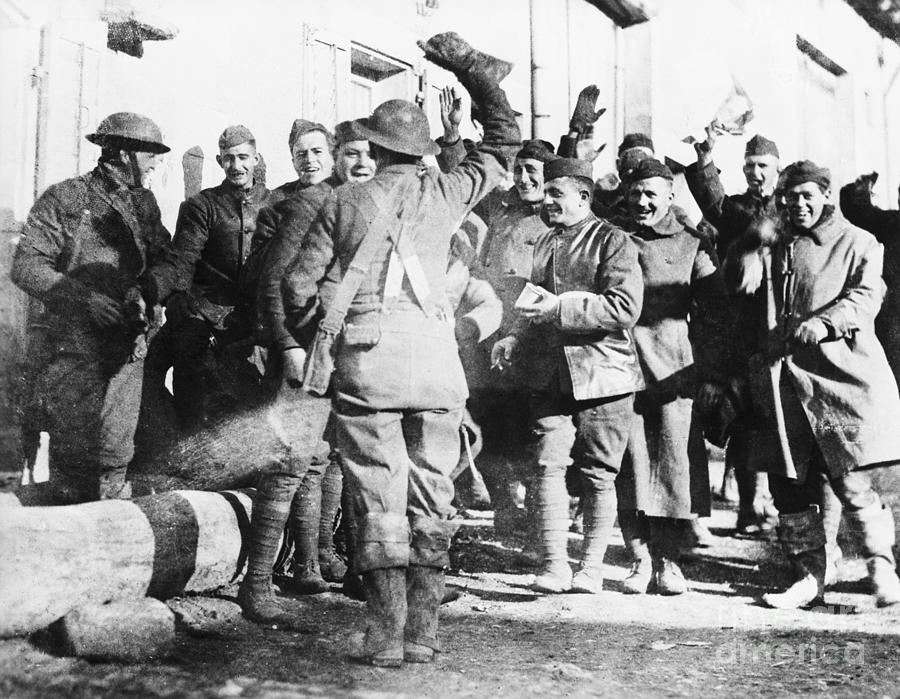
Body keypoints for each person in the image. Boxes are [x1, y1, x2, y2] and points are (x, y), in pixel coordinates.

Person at [280, 31, 519, 666]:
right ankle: (424, 636)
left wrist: (327, 332)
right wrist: (472, 69)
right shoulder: (447, 192)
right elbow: (504, 138)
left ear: (376, 147)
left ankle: (384, 636)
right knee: (433, 492)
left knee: (377, 497)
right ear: (418, 151)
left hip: (369, 364)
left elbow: (297, 286)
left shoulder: (341, 200)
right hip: (439, 365)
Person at [731, 160, 900, 610]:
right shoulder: (775, 242)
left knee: (852, 478)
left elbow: (867, 295)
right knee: (790, 486)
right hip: (782, 382)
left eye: (809, 195)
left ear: (826, 195)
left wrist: (827, 323)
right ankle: (809, 575)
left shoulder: (859, 241)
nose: (799, 204)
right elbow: (738, 285)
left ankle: (881, 565)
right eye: (792, 196)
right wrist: (749, 250)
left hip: (839, 378)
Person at [236, 121, 374, 620]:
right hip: (308, 352)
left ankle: (361, 570)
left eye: (368, 154)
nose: (361, 164)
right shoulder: (310, 205)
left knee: (354, 459)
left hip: (354, 353)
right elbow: (275, 285)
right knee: (291, 462)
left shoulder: (367, 202)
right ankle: (256, 588)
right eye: (352, 154)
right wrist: (289, 344)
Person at [492, 157, 644, 595]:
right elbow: (535, 300)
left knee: (598, 473)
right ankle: (555, 564)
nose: (545, 200)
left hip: (603, 374)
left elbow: (623, 308)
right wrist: (514, 335)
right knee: (546, 465)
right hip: (549, 373)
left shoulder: (615, 241)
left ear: (583, 197)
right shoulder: (545, 242)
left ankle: (591, 569)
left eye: (556, 193)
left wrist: (561, 308)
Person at [11, 112, 170, 504]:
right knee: (74, 457)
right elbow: (27, 265)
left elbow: (167, 259)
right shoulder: (65, 197)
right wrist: (85, 299)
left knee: (115, 456)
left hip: (127, 351)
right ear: (119, 153)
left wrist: (146, 291)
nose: (155, 162)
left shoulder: (144, 204)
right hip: (74, 350)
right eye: (148, 153)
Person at [616, 158, 730, 595]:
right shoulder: (612, 237)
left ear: (669, 197)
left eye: (651, 194)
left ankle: (669, 561)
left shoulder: (691, 244)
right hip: (620, 364)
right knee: (629, 462)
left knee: (672, 463)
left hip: (673, 367)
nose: (642, 201)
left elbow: (715, 313)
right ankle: (639, 558)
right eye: (636, 193)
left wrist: (711, 371)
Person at [685, 128, 782, 536]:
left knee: (783, 420)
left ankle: (787, 509)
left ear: (777, 168)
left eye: (763, 166)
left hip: (785, 328)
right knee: (746, 422)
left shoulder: (791, 207)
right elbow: (713, 200)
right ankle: (747, 508)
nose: (756, 172)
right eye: (750, 166)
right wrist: (706, 160)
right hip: (744, 330)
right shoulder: (737, 210)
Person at [147, 125, 274, 431]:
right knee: (164, 371)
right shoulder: (202, 206)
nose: (237, 166)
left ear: (256, 159)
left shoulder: (275, 203)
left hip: (254, 316)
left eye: (243, 157)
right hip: (205, 311)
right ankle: (182, 442)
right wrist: (164, 296)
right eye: (228, 159)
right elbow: (183, 258)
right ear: (220, 162)